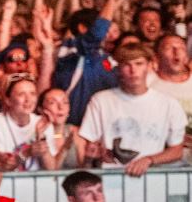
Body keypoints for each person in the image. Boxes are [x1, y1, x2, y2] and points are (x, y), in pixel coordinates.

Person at [79, 41, 185, 176]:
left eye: (139, 64)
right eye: (127, 65)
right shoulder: (101, 100)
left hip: (151, 179)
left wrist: (149, 160)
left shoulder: (169, 104)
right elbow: (89, 144)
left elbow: (177, 150)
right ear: (118, 68)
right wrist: (97, 153)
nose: (133, 70)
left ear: (149, 66)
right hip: (111, 178)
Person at [0, 74, 56, 171]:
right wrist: (27, 152)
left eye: (32, 94)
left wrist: (41, 136)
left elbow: (51, 169)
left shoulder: (42, 122)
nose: (28, 100)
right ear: (8, 100)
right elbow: (2, 167)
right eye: (21, 94)